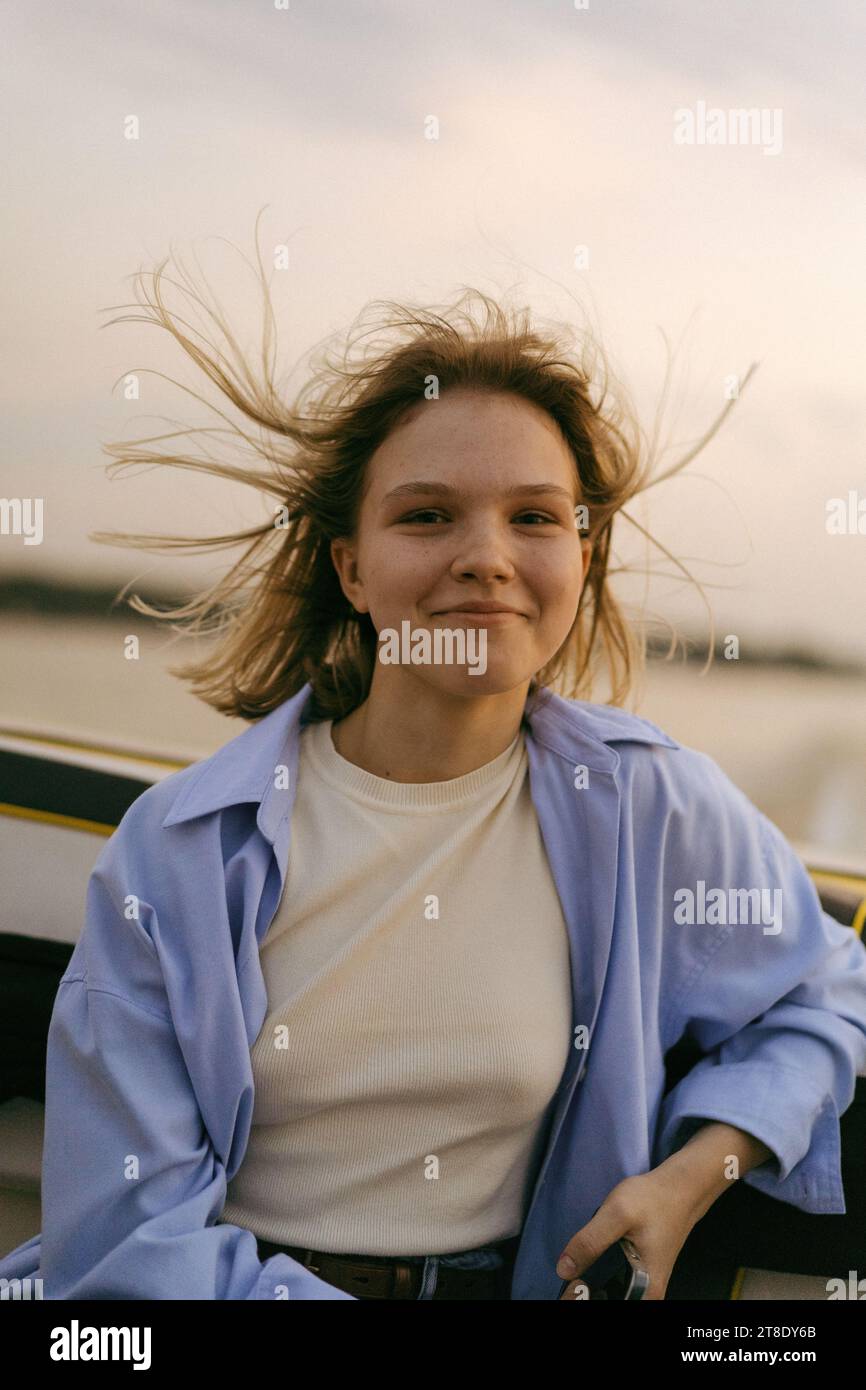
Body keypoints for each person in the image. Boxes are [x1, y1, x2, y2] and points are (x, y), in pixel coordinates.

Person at [2, 253, 865, 1301]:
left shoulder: (649, 806)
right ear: (350, 568)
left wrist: (694, 1171)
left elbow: (822, 992)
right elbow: (125, 1248)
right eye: (425, 516)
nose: (485, 556)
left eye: (534, 518)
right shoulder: (181, 848)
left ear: (581, 558)